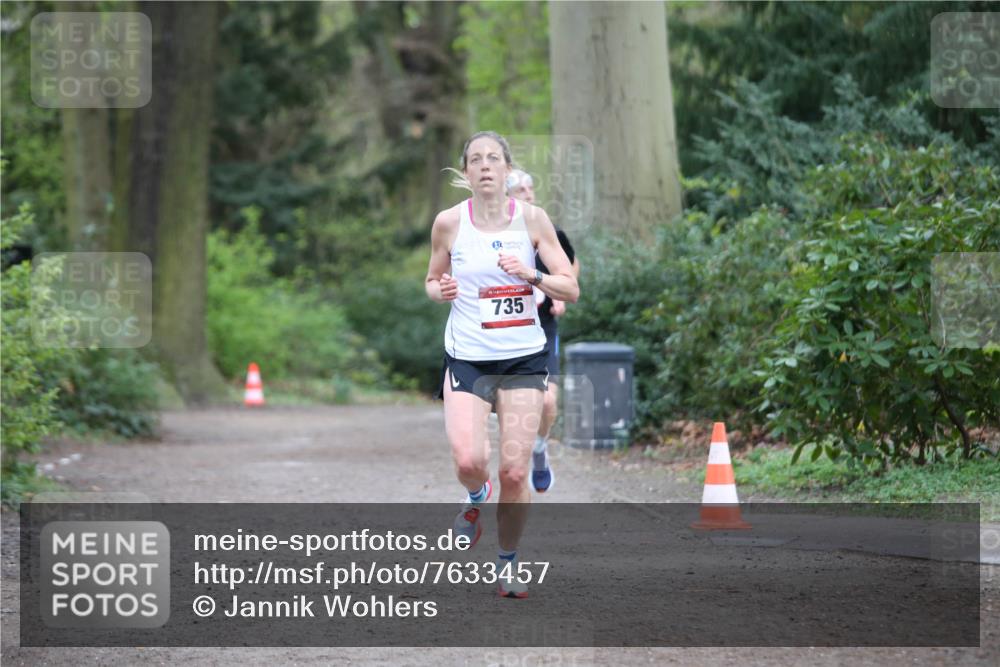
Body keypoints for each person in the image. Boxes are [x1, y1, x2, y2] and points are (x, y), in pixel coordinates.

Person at [426, 131, 579, 598]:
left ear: (507, 169)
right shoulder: (449, 224)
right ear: (466, 172)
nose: (486, 165)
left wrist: (530, 273)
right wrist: (442, 290)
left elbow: (569, 288)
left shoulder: (533, 220)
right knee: (470, 459)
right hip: (469, 358)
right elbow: (432, 279)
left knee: (514, 471)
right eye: (476, 159)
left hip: (523, 359)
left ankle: (507, 564)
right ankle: (475, 497)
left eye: (494, 158)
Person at [506, 169, 580, 493]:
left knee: (548, 403)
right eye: (520, 189)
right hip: (501, 332)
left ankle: (539, 448)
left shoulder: (548, 229)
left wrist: (559, 295)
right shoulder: (490, 234)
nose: (529, 194)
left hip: (541, 325)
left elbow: (571, 265)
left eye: (531, 188)